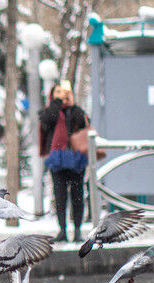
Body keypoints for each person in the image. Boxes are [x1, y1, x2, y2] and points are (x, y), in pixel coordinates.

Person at [39, 84, 88, 242]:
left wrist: (73, 105)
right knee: (59, 196)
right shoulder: (50, 111)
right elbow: (46, 122)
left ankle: (78, 230)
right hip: (57, 160)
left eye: (64, 92)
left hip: (76, 159)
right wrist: (58, 103)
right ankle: (62, 230)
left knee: (77, 196)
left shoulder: (75, 110)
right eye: (58, 92)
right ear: (52, 95)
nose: (62, 95)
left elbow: (83, 124)